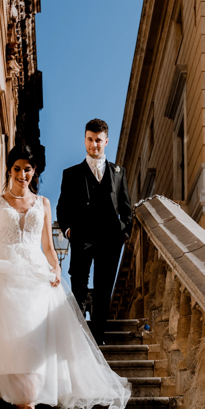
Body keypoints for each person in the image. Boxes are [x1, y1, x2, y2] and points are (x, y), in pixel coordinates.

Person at [0, 141, 131, 409]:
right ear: (9, 170)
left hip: (36, 274)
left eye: (27, 170)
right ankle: (21, 403)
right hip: (3, 275)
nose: (22, 175)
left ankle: (28, 404)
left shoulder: (43, 204)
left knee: (33, 339)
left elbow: (49, 247)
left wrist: (55, 268)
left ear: (34, 171)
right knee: (11, 340)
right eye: (17, 169)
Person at [56, 119, 133, 345]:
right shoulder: (71, 174)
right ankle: (79, 337)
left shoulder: (119, 173)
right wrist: (69, 230)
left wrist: (124, 232)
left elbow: (126, 207)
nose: (94, 145)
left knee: (103, 288)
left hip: (111, 239)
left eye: (98, 140)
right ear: (85, 140)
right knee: (79, 285)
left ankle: (98, 339)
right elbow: (62, 208)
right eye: (90, 139)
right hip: (82, 237)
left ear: (106, 141)